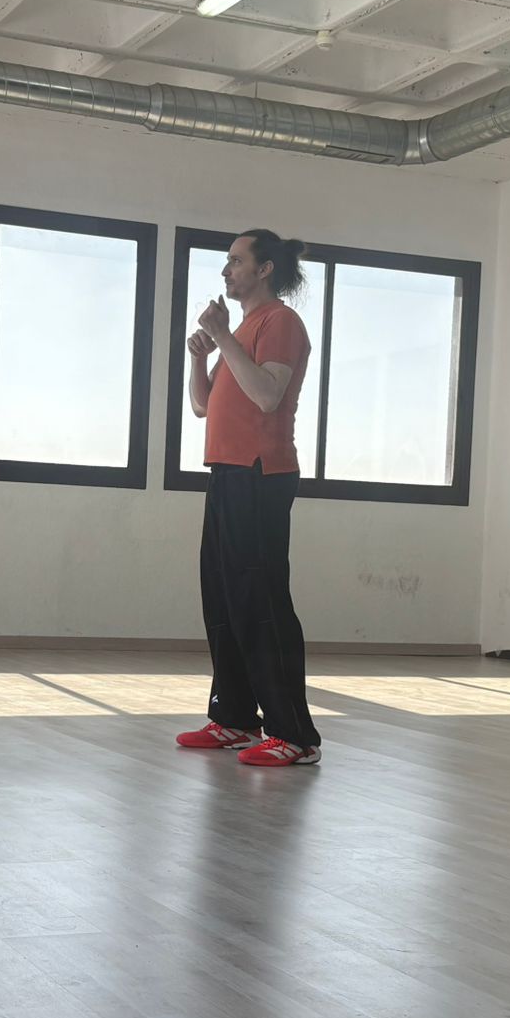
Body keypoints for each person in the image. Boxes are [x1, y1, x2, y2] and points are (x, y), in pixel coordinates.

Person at [175, 229, 323, 768]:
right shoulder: (240, 330)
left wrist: (222, 336)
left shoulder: (280, 322)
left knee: (261, 602)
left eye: (236, 261)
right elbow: (202, 406)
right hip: (227, 473)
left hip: (261, 475)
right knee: (222, 597)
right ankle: (235, 718)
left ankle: (294, 734)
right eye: (226, 261)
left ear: (265, 270)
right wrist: (201, 356)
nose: (225, 271)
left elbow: (267, 395)